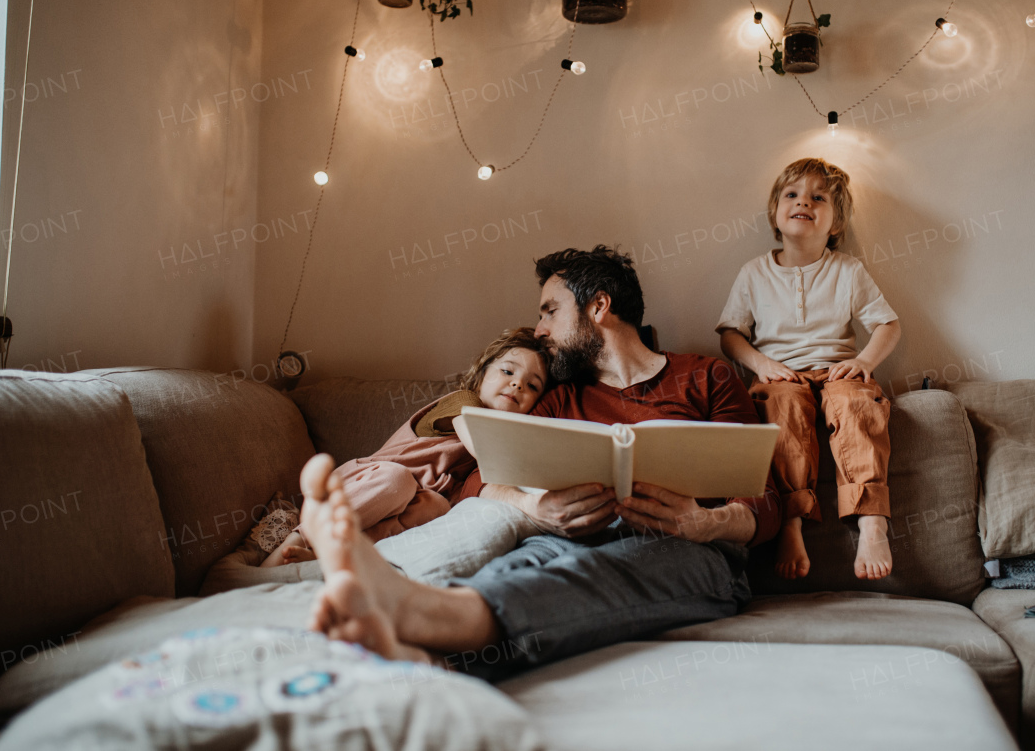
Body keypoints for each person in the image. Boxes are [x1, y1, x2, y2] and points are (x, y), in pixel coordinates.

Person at [298, 246, 781, 676]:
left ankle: (419, 615)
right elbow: (479, 482)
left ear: (598, 306)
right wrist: (533, 509)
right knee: (526, 565)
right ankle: (422, 654)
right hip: (573, 539)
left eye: (551, 311)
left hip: (691, 549)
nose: (540, 329)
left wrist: (705, 521)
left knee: (605, 572)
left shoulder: (707, 376)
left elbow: (763, 497)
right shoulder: (558, 398)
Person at [717, 158, 901, 581]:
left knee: (858, 405)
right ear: (775, 213)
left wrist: (863, 362)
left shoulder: (847, 270)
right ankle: (790, 522)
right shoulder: (754, 273)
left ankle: (872, 521)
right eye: (793, 195)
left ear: (835, 224)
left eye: (819, 198)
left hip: (837, 372)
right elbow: (730, 334)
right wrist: (761, 364)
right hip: (780, 375)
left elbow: (887, 324)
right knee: (779, 411)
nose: (805, 202)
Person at [262, 328, 550, 567]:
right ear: (481, 376)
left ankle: (334, 555)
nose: (517, 384)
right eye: (507, 371)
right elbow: (481, 445)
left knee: (436, 507)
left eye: (532, 385)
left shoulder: (501, 437)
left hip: (411, 500)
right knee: (397, 481)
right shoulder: (464, 403)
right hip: (367, 483)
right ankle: (299, 537)